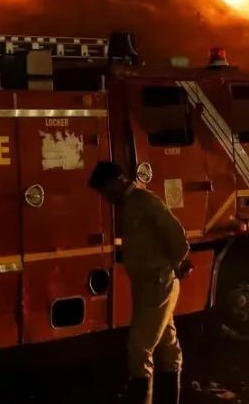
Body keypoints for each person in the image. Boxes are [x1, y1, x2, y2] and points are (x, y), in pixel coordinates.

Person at [88, 161, 192, 404]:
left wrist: (178, 263)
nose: (105, 197)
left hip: (158, 283)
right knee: (167, 346)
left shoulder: (145, 201)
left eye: (104, 191)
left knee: (139, 348)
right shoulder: (129, 205)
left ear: (117, 181)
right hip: (148, 285)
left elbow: (177, 234)